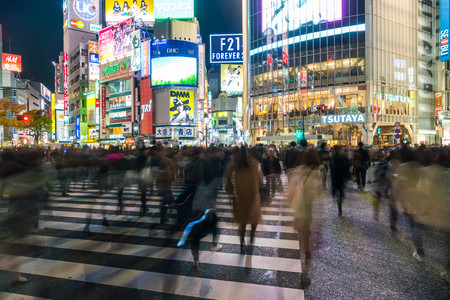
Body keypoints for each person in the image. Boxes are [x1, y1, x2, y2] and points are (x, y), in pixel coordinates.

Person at [287, 149, 322, 287]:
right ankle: (304, 272)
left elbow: (290, 188)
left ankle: (306, 253)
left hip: (299, 206)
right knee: (306, 238)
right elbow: (317, 191)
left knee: (304, 234)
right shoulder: (316, 173)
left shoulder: (298, 171)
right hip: (307, 207)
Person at [226, 146, 263, 253]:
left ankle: (242, 242)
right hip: (254, 196)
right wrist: (259, 187)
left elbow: (228, 177)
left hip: (240, 197)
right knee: (254, 220)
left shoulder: (236, 165)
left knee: (242, 222)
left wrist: (231, 189)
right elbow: (260, 178)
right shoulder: (254, 163)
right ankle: (251, 238)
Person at [330, 145, 350, 216]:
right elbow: (348, 166)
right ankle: (339, 206)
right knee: (341, 191)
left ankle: (338, 203)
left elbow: (331, 168)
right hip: (341, 176)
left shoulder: (333, 157)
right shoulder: (343, 157)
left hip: (336, 176)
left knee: (336, 189)